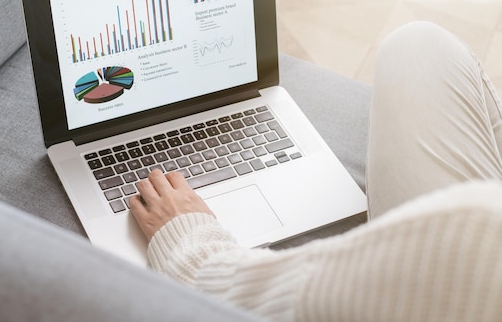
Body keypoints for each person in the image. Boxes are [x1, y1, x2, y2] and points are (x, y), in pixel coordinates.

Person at [129, 21, 502, 322]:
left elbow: (243, 297)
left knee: (419, 47)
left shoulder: (471, 235)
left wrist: (182, 234)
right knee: (420, 46)